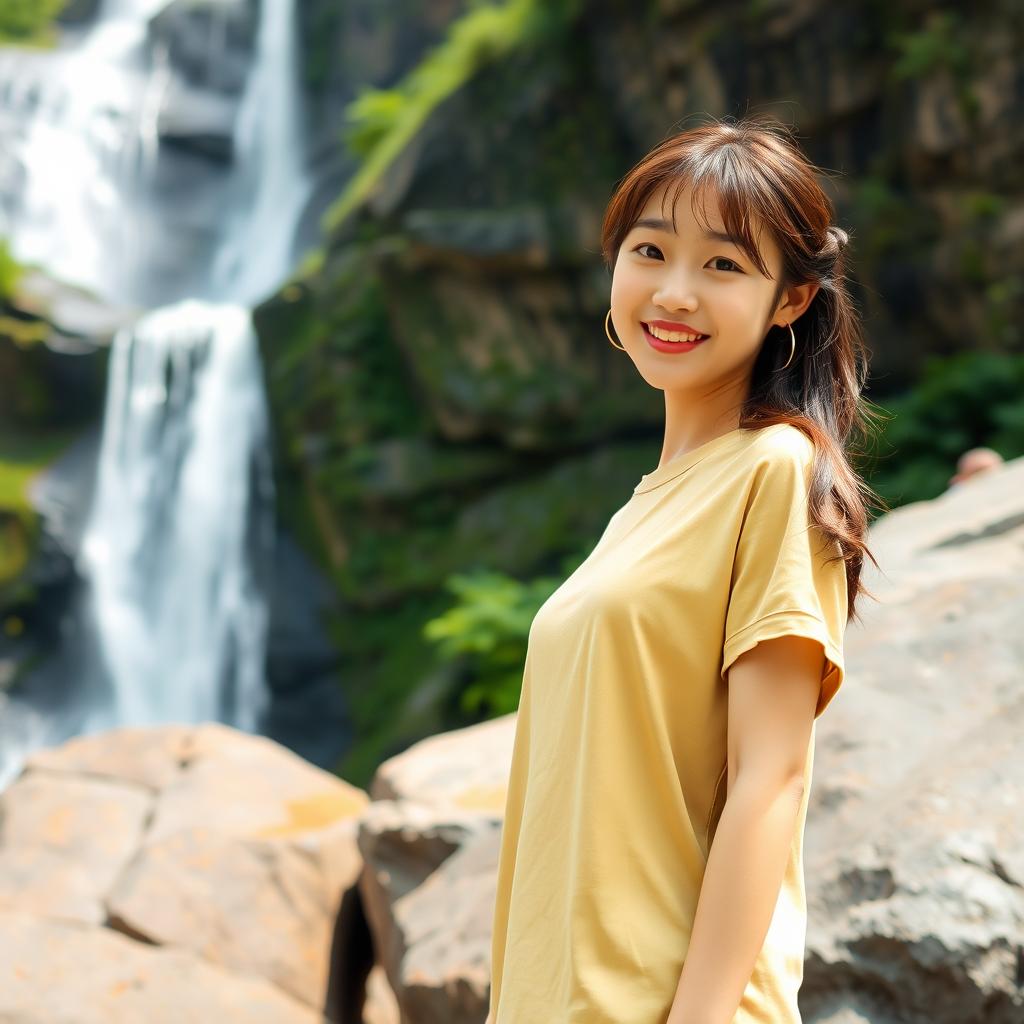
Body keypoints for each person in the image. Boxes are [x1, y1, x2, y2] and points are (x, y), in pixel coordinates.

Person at [485, 114, 885, 1024]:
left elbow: (770, 777)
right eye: (650, 249)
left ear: (791, 299)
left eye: (723, 265)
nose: (673, 292)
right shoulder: (645, 506)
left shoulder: (775, 472)